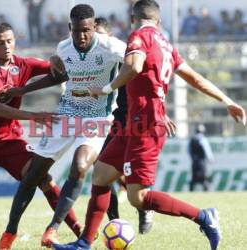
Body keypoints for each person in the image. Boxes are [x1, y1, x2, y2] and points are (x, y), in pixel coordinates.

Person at [52, 1, 246, 250]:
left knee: (138, 198)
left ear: (133, 19)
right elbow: (195, 78)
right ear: (159, 21)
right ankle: (84, 243)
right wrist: (227, 100)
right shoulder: (166, 45)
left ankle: (204, 217)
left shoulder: (139, 36)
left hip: (146, 124)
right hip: (135, 122)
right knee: (100, 175)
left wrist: (104, 89)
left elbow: (134, 66)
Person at [0, 4, 127, 248]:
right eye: (76, 31)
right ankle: (9, 233)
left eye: (86, 30)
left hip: (98, 118)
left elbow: (136, 63)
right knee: (33, 175)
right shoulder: (64, 47)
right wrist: (22, 89)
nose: (81, 36)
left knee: (79, 166)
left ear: (93, 27)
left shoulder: (111, 47)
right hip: (66, 114)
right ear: (70, 27)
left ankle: (52, 229)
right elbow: (60, 76)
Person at [0, 22, 80, 250]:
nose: (6, 46)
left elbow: (61, 74)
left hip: (10, 139)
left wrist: (55, 61)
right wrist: (35, 116)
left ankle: (79, 232)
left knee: (43, 178)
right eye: (0, 42)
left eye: (10, 41)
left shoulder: (24, 64)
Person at [95, 16, 154, 234]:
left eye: (100, 35)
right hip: (119, 119)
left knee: (131, 174)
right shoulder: (92, 60)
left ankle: (144, 209)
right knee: (102, 170)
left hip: (139, 118)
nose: (96, 41)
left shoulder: (126, 53)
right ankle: (114, 221)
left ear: (109, 36)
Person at [188, 124, 214, 191]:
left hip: (194, 161)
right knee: (204, 177)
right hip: (201, 161)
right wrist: (210, 158)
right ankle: (206, 191)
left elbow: (189, 150)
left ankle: (191, 191)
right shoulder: (203, 139)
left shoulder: (192, 139)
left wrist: (192, 158)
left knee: (194, 177)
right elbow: (206, 149)